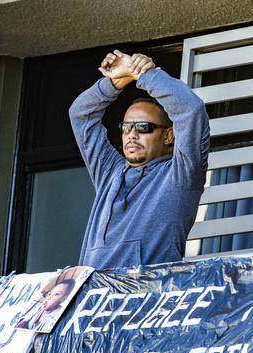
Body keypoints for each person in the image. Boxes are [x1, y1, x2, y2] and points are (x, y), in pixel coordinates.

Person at [69, 50, 209, 269]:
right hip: (93, 299)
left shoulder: (180, 175)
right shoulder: (110, 173)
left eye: (144, 127)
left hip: (143, 298)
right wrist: (116, 80)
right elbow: (81, 115)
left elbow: (190, 110)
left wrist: (145, 74)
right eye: (126, 127)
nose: (132, 134)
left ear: (169, 135)